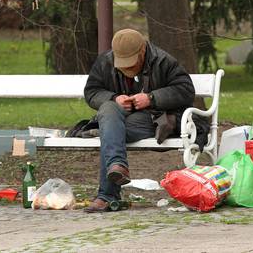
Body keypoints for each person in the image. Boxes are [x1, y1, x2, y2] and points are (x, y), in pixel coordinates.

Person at [83, 28, 196, 212]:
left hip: (152, 118)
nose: (127, 69)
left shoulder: (163, 61)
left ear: (142, 51)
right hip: (115, 118)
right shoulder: (106, 60)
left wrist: (151, 98)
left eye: (130, 63)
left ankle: (107, 195)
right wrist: (114, 98)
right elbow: (92, 92)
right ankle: (117, 166)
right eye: (123, 64)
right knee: (108, 109)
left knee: (109, 132)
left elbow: (185, 90)